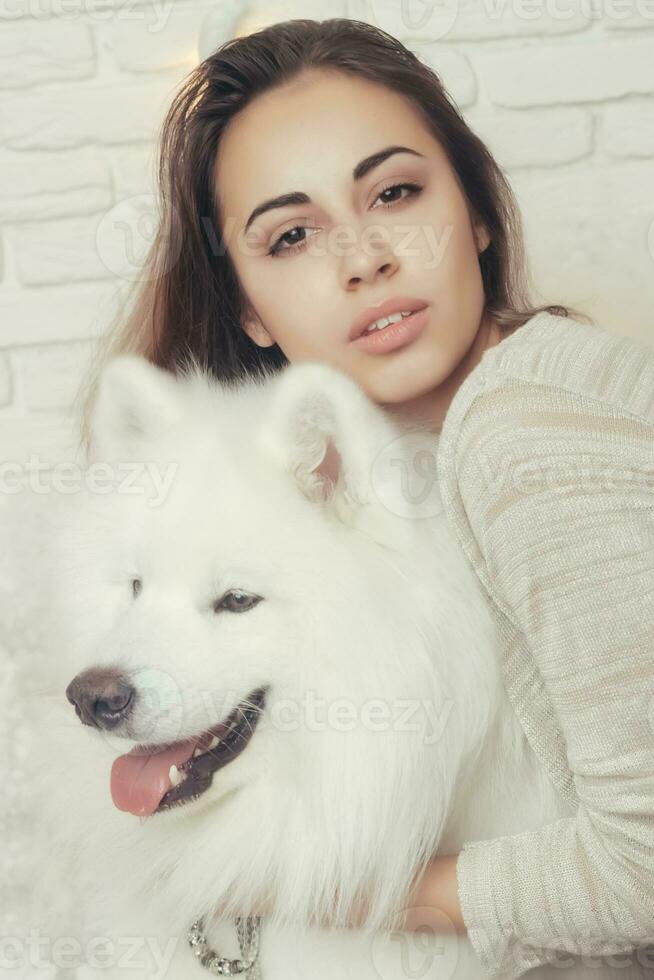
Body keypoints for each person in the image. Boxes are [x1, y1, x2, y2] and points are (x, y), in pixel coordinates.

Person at [75, 18, 654, 979]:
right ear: (250, 309)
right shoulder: (474, 420)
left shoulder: (527, 441)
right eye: (292, 234)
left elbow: (645, 872)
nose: (364, 258)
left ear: (476, 211)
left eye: (394, 193)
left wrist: (306, 888)